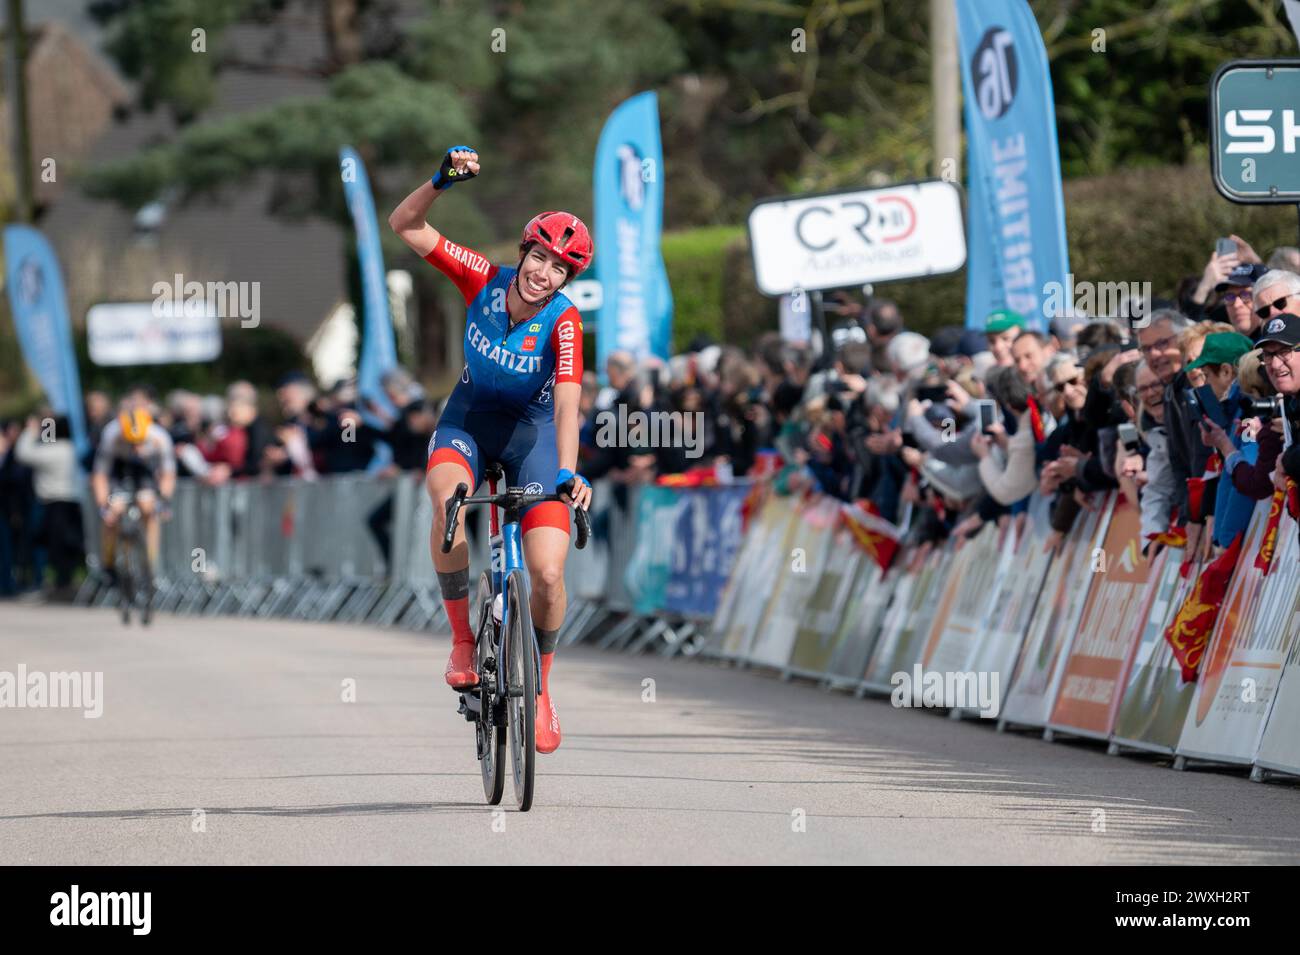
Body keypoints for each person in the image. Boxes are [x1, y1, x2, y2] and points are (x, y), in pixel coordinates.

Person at [389, 145, 592, 754]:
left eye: (559, 268)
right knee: (448, 504)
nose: (544, 273)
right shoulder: (482, 277)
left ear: (565, 279)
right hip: (470, 421)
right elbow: (406, 225)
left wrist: (567, 472)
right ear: (523, 251)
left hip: (531, 438)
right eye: (539, 257)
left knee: (549, 572)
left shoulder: (564, 322)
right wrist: (440, 182)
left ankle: (543, 690)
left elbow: (566, 403)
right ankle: (459, 640)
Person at [92, 401, 176, 586]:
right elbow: (100, 475)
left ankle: (149, 564)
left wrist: (164, 500)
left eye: (139, 443)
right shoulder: (111, 435)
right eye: (131, 442)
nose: (135, 448)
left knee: (149, 507)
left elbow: (168, 474)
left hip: (145, 468)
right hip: (119, 468)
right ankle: (109, 564)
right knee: (114, 510)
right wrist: (103, 506)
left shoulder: (159, 437)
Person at [13, 415, 84, 599]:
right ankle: (64, 583)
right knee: (67, 547)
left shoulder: (54, 450)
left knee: (48, 546)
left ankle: (47, 583)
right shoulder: (72, 448)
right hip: (72, 502)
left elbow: (24, 454)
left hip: (54, 504)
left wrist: (31, 430)